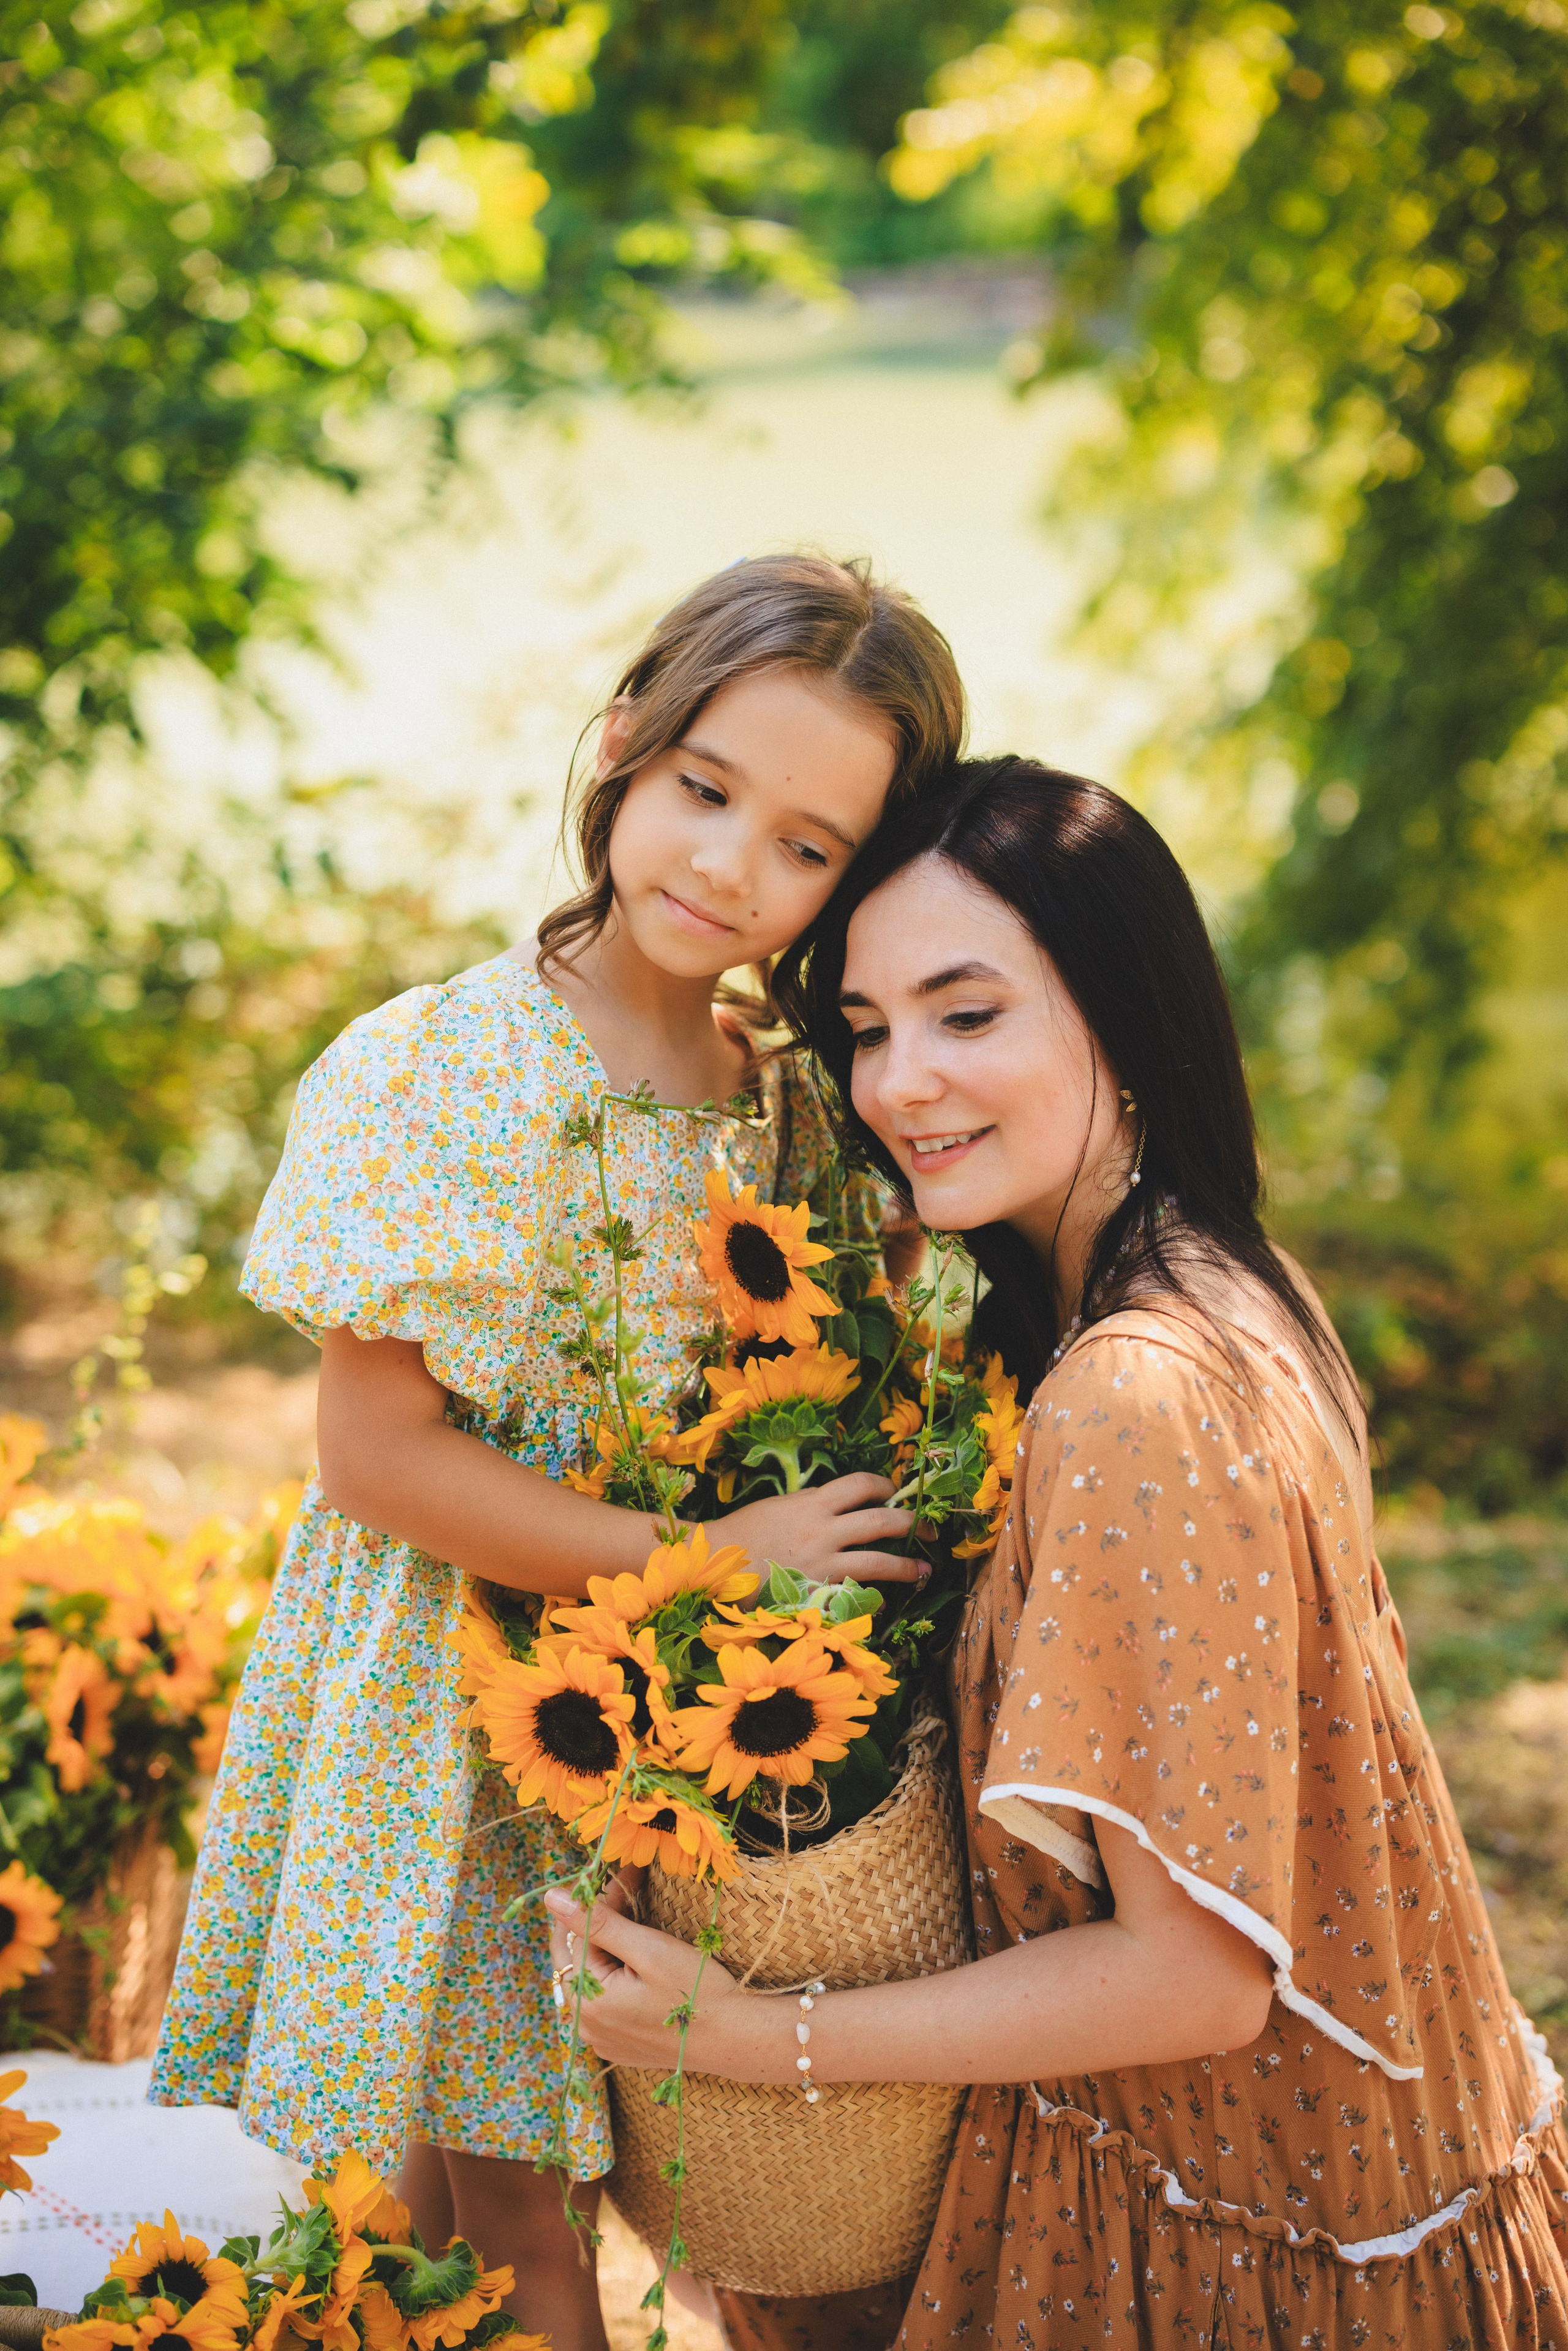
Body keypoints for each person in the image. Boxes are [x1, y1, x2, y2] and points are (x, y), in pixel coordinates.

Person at [545, 755, 1568, 2350]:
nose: (900, 1087)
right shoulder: (1237, 1290)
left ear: (1125, 1014)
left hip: (1242, 2225)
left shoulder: (1134, 1395)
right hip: (1383, 2162)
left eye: (969, 1015)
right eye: (870, 1031)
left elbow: (1195, 1979)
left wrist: (755, 2036)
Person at [148, 556, 965, 2351]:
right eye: (704, 792)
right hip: (446, 1712)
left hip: (647, 1718)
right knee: (512, 2211)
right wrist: (711, 1566)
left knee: (482, 2199)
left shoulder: (788, 1092)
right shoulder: (442, 1067)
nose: (731, 867)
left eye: (808, 847)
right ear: (623, 747)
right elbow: (376, 1462)